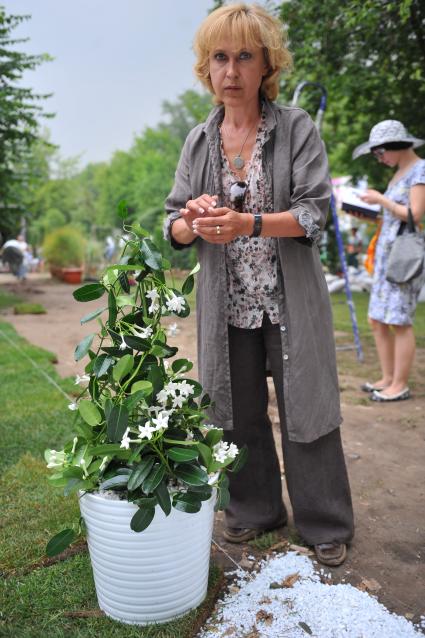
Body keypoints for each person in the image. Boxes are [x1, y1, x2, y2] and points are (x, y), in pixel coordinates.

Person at [164, 3, 354, 566]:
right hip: (228, 305)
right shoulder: (199, 142)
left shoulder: (297, 129)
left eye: (244, 56)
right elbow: (173, 222)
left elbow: (315, 212)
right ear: (206, 67)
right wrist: (192, 221)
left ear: (266, 64)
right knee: (235, 410)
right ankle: (254, 510)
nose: (231, 70)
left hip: (287, 298)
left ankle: (324, 523)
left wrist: (248, 223)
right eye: (220, 57)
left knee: (307, 406)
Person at [352, 120, 425, 402]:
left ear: (395, 146)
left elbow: (414, 215)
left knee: (399, 320)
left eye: (379, 152)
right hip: (386, 254)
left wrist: (381, 200)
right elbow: (396, 215)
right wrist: (371, 213)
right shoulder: (399, 173)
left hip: (403, 258)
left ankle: (400, 384)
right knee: (377, 319)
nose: (379, 158)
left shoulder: (419, 170)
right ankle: (387, 377)